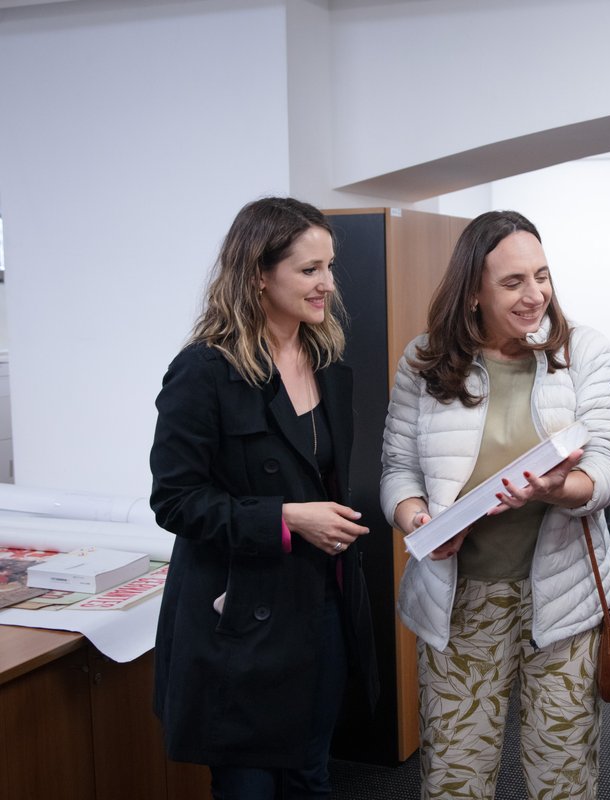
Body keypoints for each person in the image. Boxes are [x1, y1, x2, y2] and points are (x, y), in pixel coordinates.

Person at [380, 210, 610, 799]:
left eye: (542, 277)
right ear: (473, 291)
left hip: (565, 597)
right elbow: (398, 471)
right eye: (513, 282)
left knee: (562, 776)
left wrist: (556, 489)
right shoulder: (425, 360)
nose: (535, 295)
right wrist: (418, 520)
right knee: (455, 777)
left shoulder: (585, 351)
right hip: (461, 600)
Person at [149, 197, 379, 799]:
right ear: (257, 273)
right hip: (240, 618)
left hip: (318, 604)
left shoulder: (328, 362)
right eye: (309, 270)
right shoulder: (203, 371)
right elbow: (175, 500)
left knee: (311, 774)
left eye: (328, 266)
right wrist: (284, 518)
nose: (327, 283)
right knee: (249, 785)